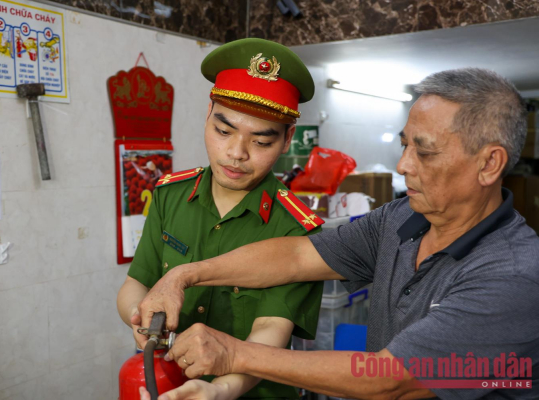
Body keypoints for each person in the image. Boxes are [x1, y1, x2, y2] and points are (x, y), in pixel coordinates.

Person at [138, 68, 539, 400]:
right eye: (404, 146)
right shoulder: (402, 218)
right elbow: (297, 257)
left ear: (489, 164)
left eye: (425, 152)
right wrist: (184, 275)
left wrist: (233, 355)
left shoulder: (514, 276)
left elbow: (389, 378)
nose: (403, 165)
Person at [117, 38, 327, 400]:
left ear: (286, 139)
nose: (236, 153)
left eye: (261, 142)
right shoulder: (170, 195)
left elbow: (270, 329)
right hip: (172, 382)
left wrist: (222, 389)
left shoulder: (297, 229)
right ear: (207, 114)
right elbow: (137, 283)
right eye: (224, 130)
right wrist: (143, 318)